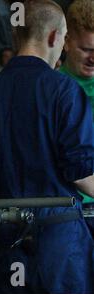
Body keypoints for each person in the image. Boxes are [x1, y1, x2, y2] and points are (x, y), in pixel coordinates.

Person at [0, 0, 94, 294]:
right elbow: (81, 172)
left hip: (10, 236)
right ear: (53, 37)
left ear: (15, 37)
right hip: (60, 238)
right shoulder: (64, 91)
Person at [60, 0, 94, 226]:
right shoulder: (54, 92)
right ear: (66, 42)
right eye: (87, 49)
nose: (93, 58)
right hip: (74, 211)